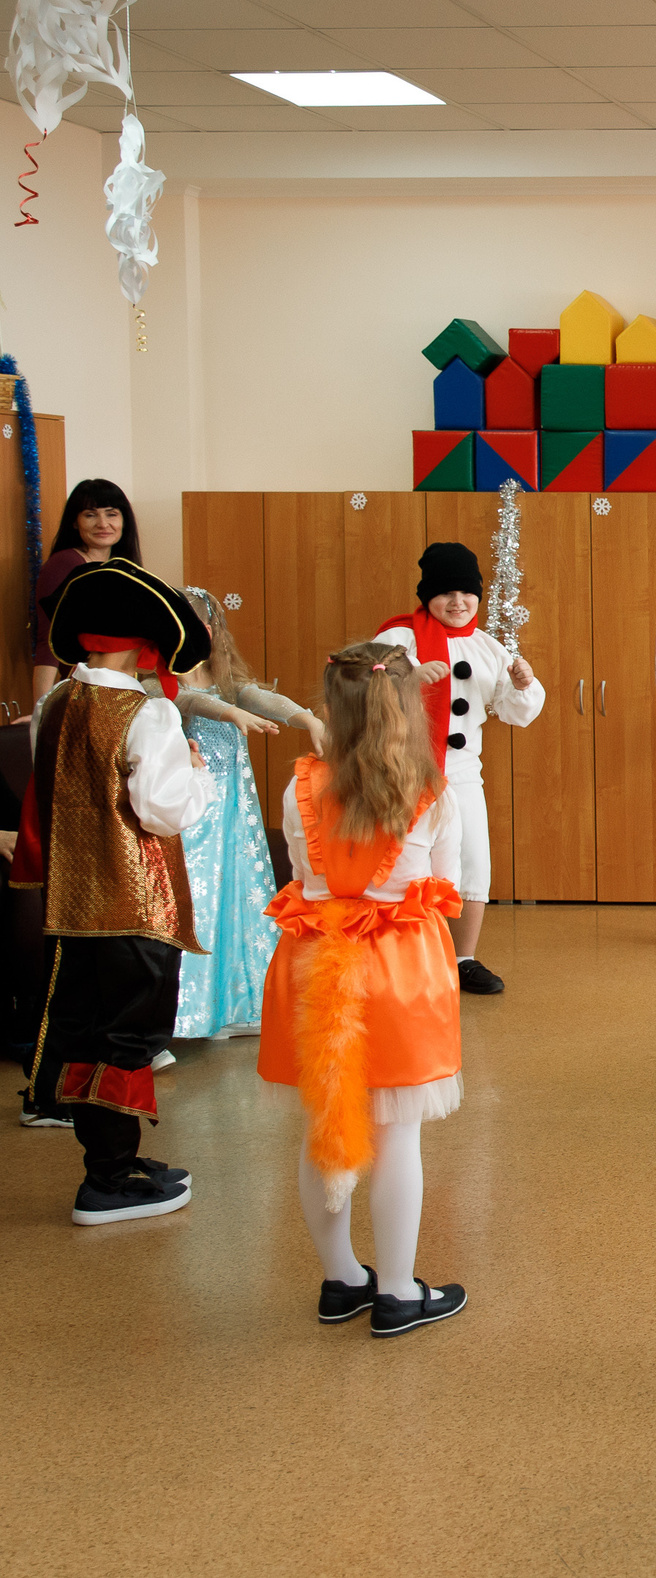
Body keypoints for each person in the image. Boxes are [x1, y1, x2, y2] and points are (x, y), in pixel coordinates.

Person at [257, 642, 468, 1338]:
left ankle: (342, 1278)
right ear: (406, 706)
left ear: (331, 712)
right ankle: (400, 1292)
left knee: (326, 1128)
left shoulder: (299, 788)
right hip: (400, 972)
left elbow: (302, 874)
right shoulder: (433, 792)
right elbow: (447, 889)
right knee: (395, 1136)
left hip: (316, 966)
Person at [12, 558, 215, 1224]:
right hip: (135, 906)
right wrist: (196, 773)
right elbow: (161, 812)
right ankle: (107, 1182)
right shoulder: (147, 714)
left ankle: (112, 1162)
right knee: (127, 1038)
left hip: (71, 904)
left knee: (84, 1030)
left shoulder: (56, 702)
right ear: (141, 642)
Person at [375, 543, 543, 995]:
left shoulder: (488, 646)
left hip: (463, 770)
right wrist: (408, 679)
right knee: (404, 864)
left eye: (466, 592)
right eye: (445, 593)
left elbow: (515, 711)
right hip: (404, 768)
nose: (457, 602)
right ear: (427, 596)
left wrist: (524, 684)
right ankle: (404, 956)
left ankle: (462, 958)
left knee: (473, 862)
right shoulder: (399, 638)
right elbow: (363, 688)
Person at [169, 586, 323, 1042]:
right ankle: (184, 1010)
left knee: (236, 887)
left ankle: (237, 1002)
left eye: (208, 624)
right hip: (194, 814)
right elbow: (187, 701)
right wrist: (229, 712)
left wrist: (307, 718)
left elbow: (256, 696)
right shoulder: (158, 681)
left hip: (233, 809)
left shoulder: (225, 677)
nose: (204, 632)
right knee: (198, 893)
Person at [28, 478, 143, 700]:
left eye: (111, 514)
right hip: (81, 693)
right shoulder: (65, 564)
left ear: (124, 520)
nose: (102, 523)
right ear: (75, 522)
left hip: (122, 688)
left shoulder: (125, 568)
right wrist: (40, 710)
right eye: (90, 515)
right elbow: (47, 640)